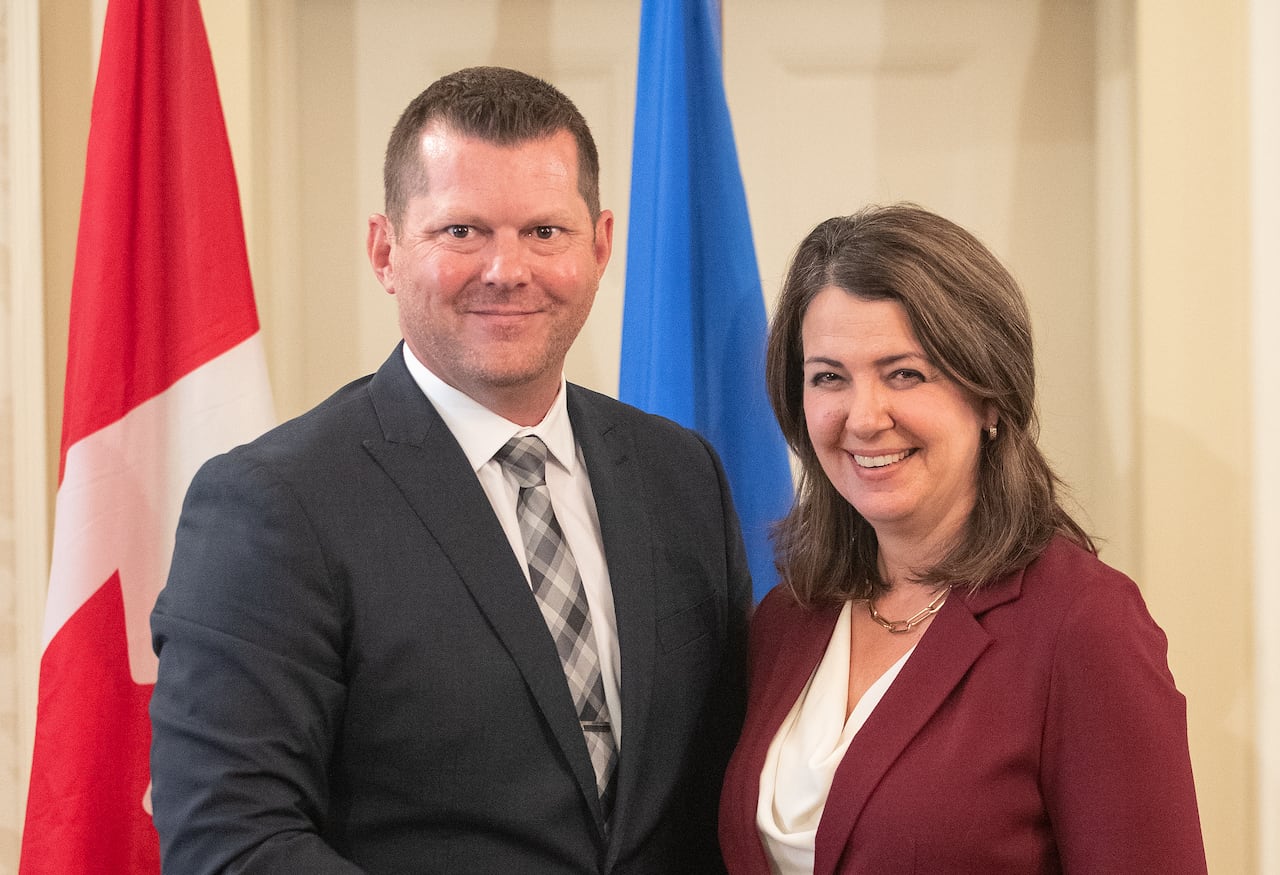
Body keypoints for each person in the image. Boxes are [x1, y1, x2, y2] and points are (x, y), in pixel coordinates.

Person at [150, 66, 751, 874]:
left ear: (601, 246)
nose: (506, 269)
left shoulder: (682, 475)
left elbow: (720, 789)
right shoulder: (274, 504)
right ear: (385, 249)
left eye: (544, 232)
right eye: (461, 231)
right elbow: (231, 840)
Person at [718, 204, 1207, 874]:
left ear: (990, 398)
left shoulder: (1083, 626)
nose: (864, 417)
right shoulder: (788, 619)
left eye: (904, 373)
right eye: (830, 376)